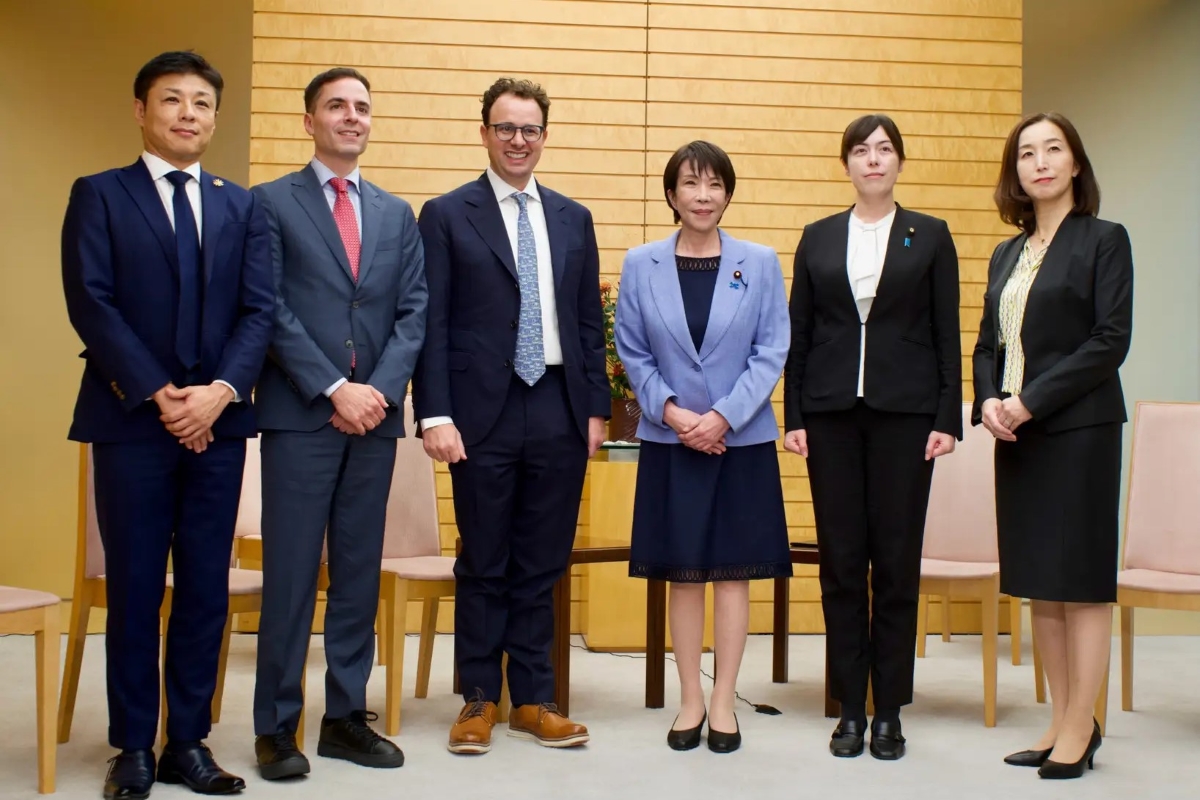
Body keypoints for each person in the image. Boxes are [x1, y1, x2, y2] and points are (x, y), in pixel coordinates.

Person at [61, 50, 273, 799]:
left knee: (205, 589)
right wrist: (161, 394)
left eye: (202, 102)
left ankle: (188, 740)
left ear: (215, 117)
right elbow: (91, 302)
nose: (189, 113)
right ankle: (132, 746)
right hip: (131, 422)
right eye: (173, 99)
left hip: (219, 424)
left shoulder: (242, 206)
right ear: (141, 110)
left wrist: (218, 394)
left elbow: (259, 311)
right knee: (136, 586)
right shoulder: (100, 194)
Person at [412, 77, 609, 755]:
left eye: (530, 129)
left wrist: (595, 409)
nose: (518, 140)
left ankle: (533, 699)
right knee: (484, 558)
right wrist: (434, 413)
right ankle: (478, 699)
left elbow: (588, 323)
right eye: (505, 128)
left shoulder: (573, 217)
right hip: (479, 412)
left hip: (557, 404)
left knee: (542, 560)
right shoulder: (446, 214)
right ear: (484, 133)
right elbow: (432, 323)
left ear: (544, 137)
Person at [250, 67, 427, 779]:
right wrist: (334, 388)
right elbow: (267, 307)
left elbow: (414, 311)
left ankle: (346, 719)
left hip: (374, 421)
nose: (352, 117)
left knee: (357, 575)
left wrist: (376, 393)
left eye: (362, 107)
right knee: (292, 575)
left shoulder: (395, 213)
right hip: (301, 416)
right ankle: (276, 727)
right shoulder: (269, 204)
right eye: (337, 106)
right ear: (309, 121)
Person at [782, 114, 962, 761]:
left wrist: (947, 418)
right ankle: (849, 709)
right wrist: (793, 415)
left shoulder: (930, 235)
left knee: (894, 564)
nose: (874, 159)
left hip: (906, 417)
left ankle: (889, 710)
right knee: (840, 564)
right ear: (847, 164)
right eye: (861, 150)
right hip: (829, 415)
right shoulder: (818, 237)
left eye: (885, 149)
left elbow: (946, 332)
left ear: (899, 162)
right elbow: (800, 333)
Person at [614, 141, 791, 754]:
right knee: (684, 574)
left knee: (734, 574)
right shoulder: (641, 264)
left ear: (728, 194)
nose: (703, 195)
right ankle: (690, 698)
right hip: (671, 441)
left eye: (715, 184)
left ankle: (724, 702)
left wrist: (722, 418)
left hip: (741, 442)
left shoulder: (759, 262)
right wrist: (672, 413)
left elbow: (771, 349)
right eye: (691, 183)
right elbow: (632, 349)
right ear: (671, 194)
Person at [973, 112, 1132, 780]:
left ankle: (1081, 725)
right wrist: (989, 400)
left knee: (1081, 584)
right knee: (1042, 583)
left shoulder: (1104, 240)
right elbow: (988, 343)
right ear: (1016, 172)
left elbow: (1108, 341)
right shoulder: (1006, 253)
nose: (1039, 162)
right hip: (1017, 435)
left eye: (1053, 149)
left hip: (1079, 431)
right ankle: (1062, 719)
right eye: (1026, 153)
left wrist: (1029, 400)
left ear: (1075, 163)